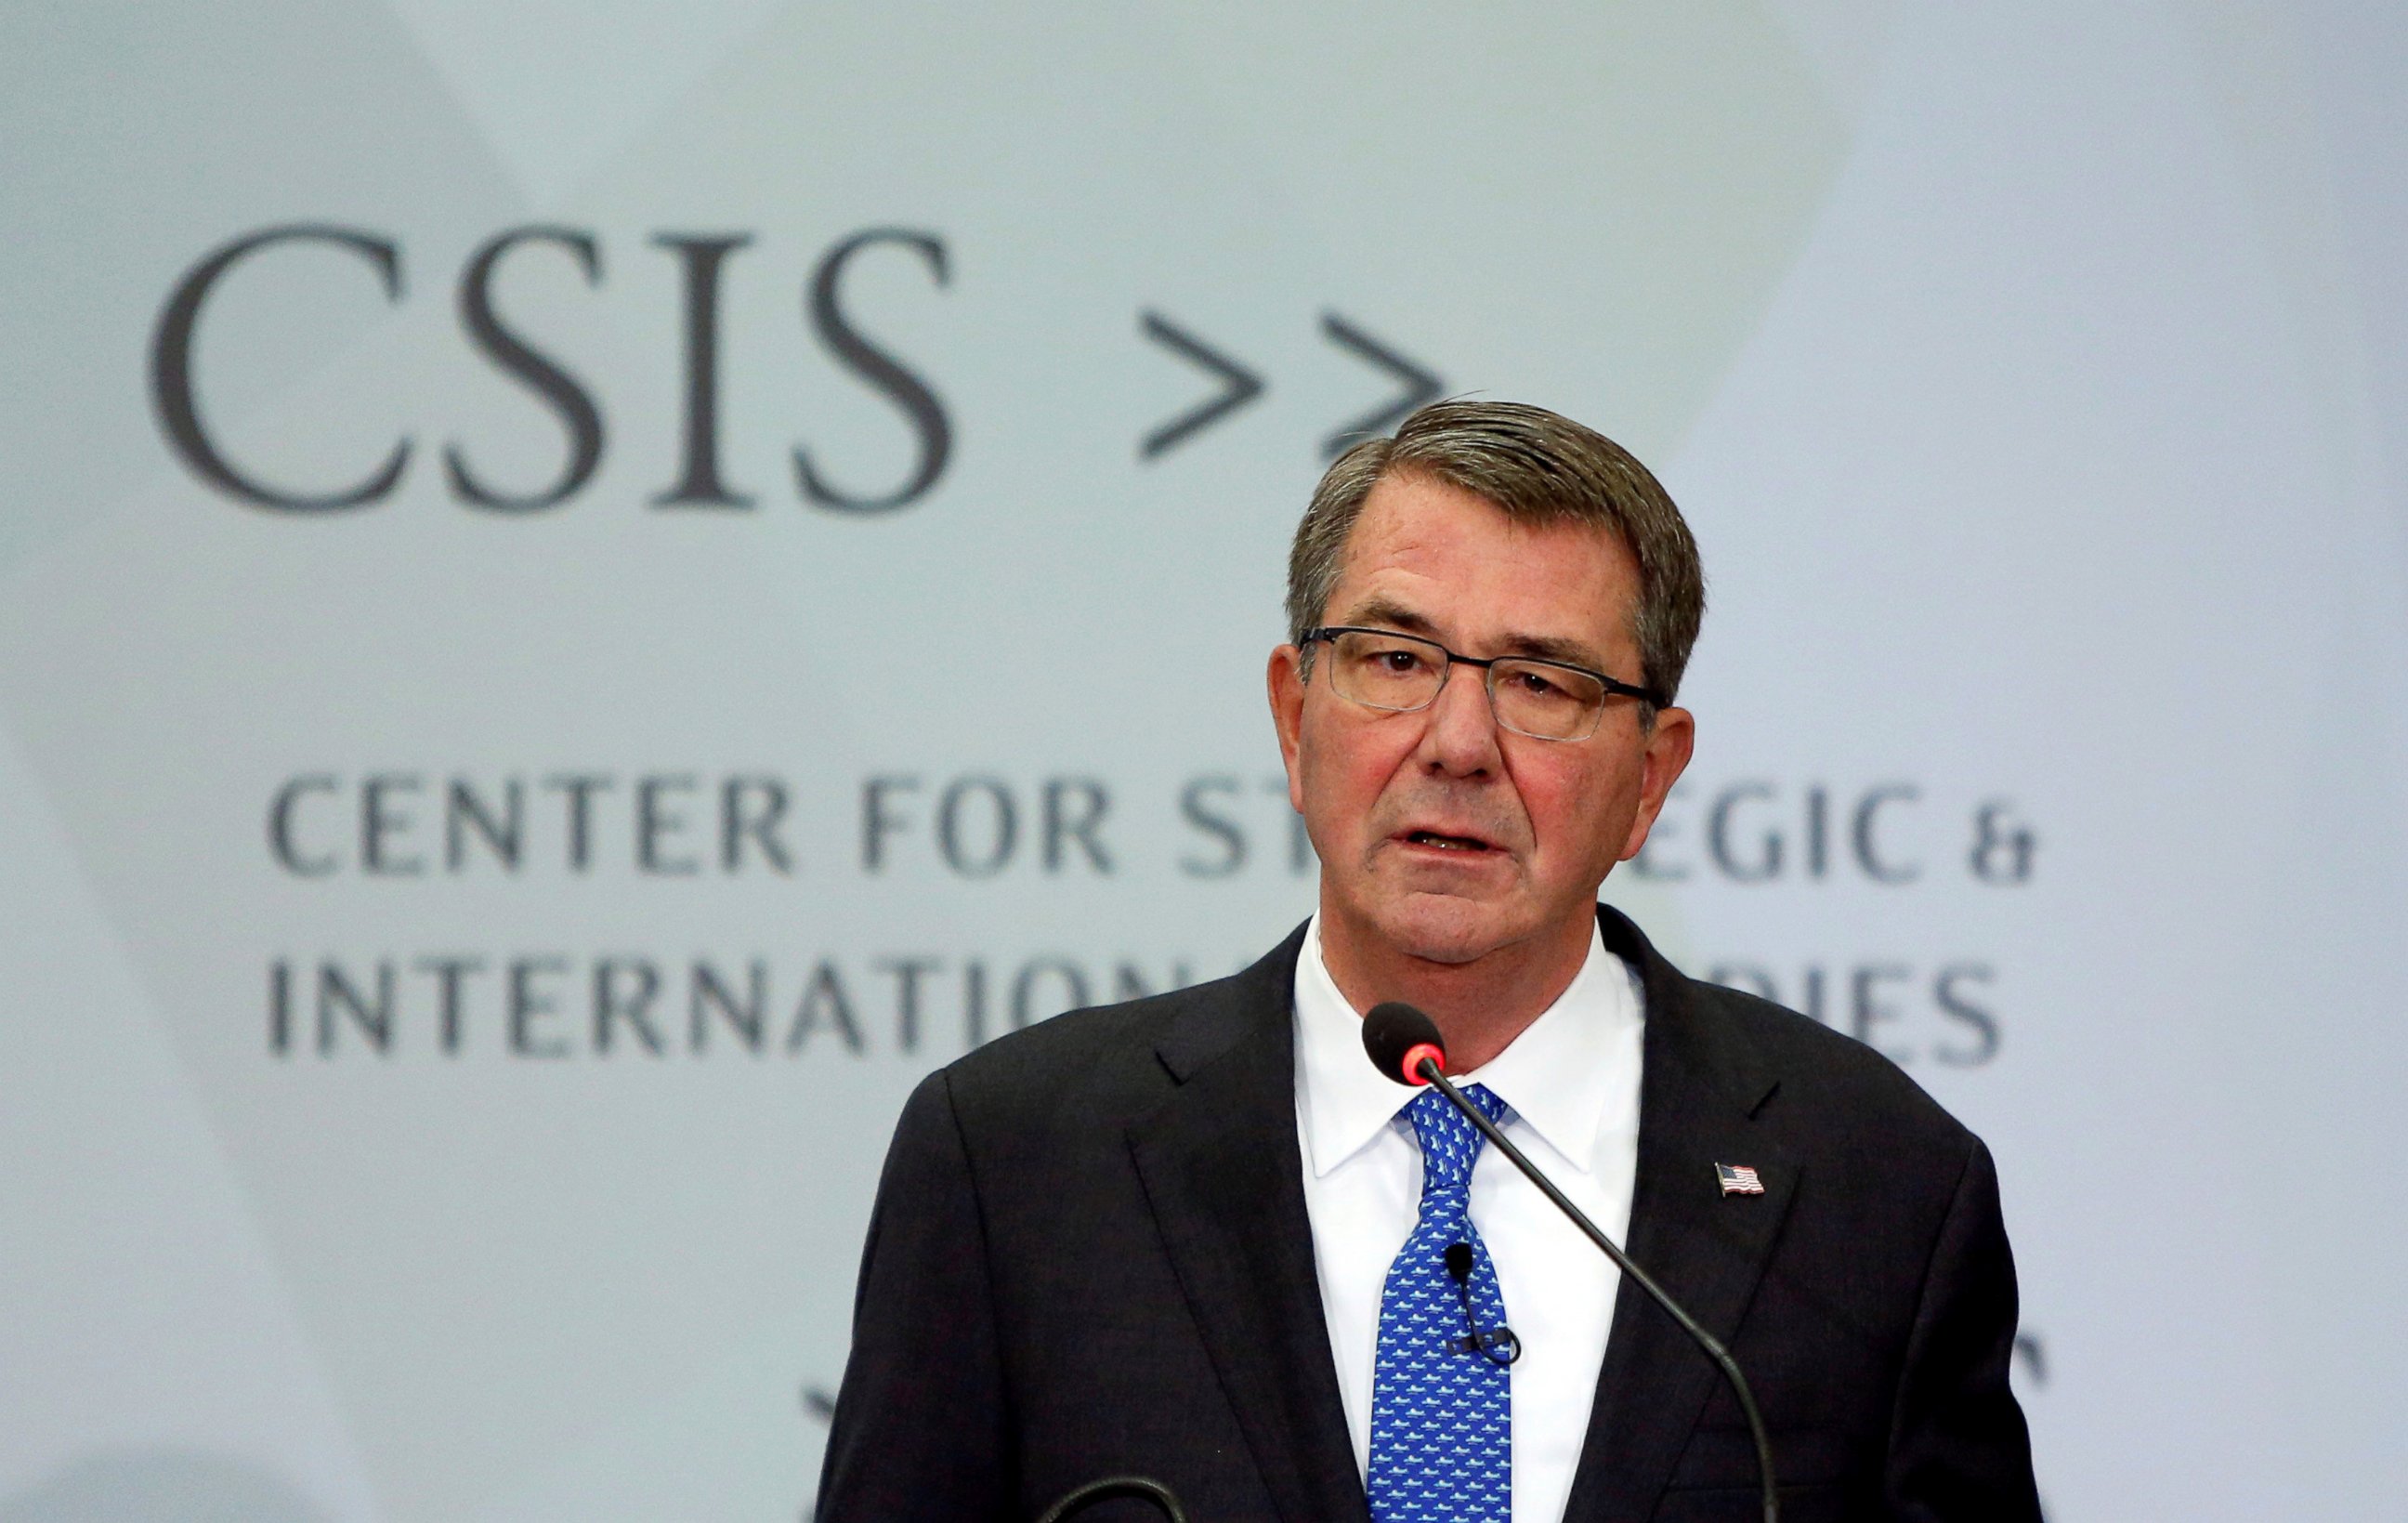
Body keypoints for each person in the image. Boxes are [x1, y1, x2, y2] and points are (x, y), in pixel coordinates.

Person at [818, 401, 2040, 1523]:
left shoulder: (1878, 1192)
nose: (1458, 744)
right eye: (1397, 661)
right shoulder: (1015, 1165)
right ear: (1297, 720)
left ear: (1651, 779)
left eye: (1541, 681)